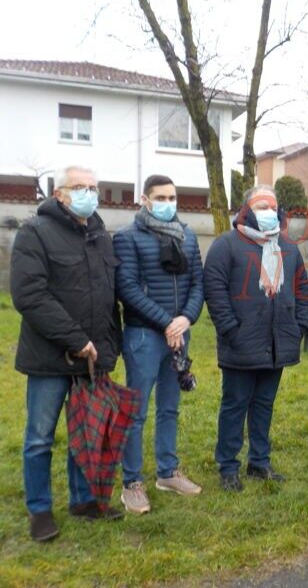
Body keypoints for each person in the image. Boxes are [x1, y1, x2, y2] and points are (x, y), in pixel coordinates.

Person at [11, 165, 123, 541]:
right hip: (50, 359)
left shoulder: (101, 234)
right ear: (59, 194)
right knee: (40, 437)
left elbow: (108, 297)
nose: (89, 193)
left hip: (92, 359)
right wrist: (75, 340)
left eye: (94, 187)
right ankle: (40, 510)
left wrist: (110, 346)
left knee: (86, 434)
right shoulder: (35, 233)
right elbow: (29, 296)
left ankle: (84, 500)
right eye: (80, 187)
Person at [204, 185, 308, 490]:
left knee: (264, 404)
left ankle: (259, 462)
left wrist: (299, 325)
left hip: (277, 343)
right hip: (240, 342)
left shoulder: (288, 249)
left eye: (272, 206)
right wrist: (230, 329)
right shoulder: (226, 245)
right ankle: (228, 466)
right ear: (247, 210)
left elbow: (302, 290)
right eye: (260, 205)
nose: (268, 211)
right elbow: (215, 290)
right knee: (235, 404)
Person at [113, 174, 205, 513]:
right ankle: (132, 483)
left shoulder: (188, 235)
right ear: (145, 199)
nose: (169, 203)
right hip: (143, 336)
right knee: (136, 412)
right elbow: (128, 289)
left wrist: (186, 319)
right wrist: (166, 322)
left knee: (170, 407)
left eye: (172, 197)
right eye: (161, 198)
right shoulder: (127, 237)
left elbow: (198, 283)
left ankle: (167, 472)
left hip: (180, 333)